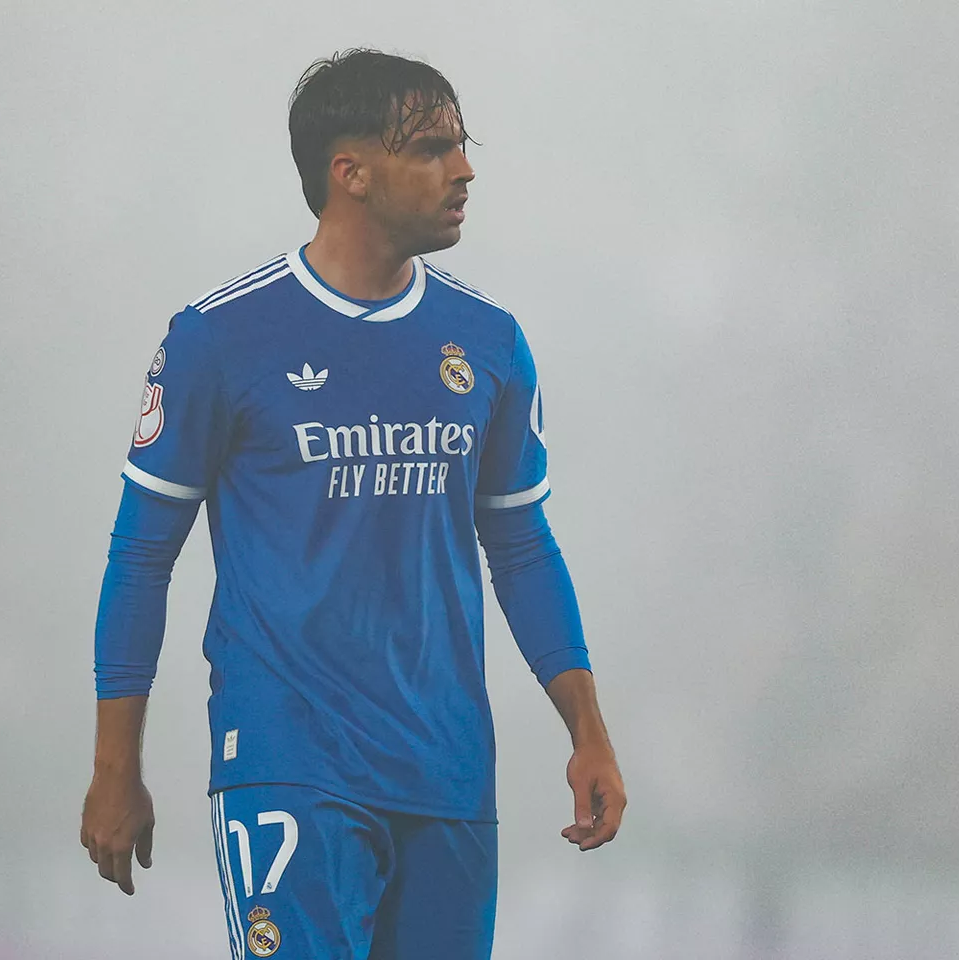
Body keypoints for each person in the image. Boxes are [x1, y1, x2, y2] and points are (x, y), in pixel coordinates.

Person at [80, 48, 626, 960]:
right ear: (352, 171)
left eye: (464, 146)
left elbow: (523, 547)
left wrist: (589, 733)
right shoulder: (220, 339)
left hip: (447, 767)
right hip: (289, 759)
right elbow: (141, 557)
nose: (464, 170)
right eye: (434, 148)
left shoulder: (487, 341)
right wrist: (114, 767)